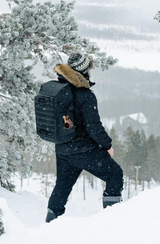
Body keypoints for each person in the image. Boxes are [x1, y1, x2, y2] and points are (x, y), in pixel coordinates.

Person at [46, 52, 123, 223]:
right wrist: (108, 146)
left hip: (63, 149)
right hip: (83, 150)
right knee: (115, 174)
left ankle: (50, 223)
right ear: (83, 71)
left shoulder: (61, 89)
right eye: (89, 68)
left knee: (62, 186)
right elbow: (94, 127)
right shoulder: (85, 95)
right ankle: (112, 218)